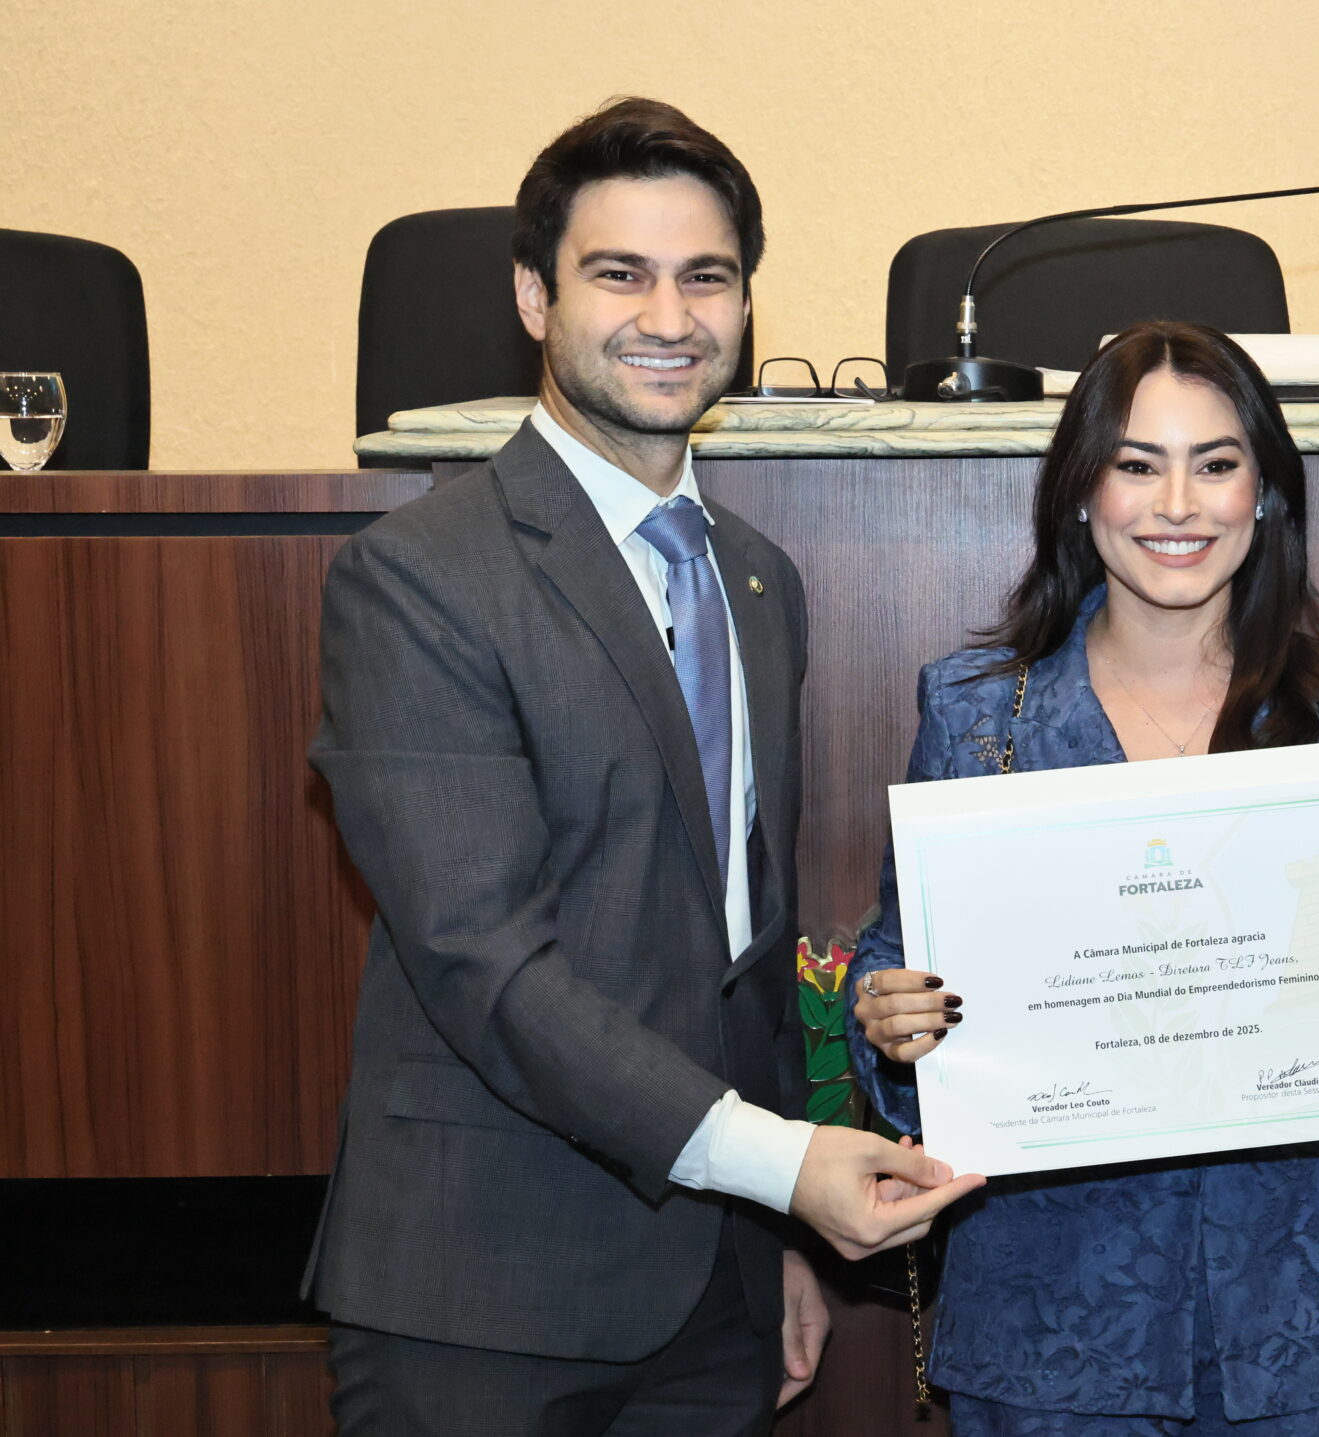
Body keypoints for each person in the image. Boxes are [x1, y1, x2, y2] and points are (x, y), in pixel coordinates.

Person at [307, 97, 980, 1436]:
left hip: (713, 1297)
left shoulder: (759, 581)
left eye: (706, 277)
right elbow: (485, 963)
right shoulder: (417, 579)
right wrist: (783, 1168)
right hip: (485, 1294)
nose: (669, 317)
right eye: (620, 274)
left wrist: (772, 1239)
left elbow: (746, 949)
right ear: (534, 296)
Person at [844, 321, 1319, 1435]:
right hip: (1051, 1322)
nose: (1178, 504)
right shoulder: (979, 715)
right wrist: (888, 1019)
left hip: (1303, 1315)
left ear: (1265, 494)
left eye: (1216, 464)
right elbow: (895, 963)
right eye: (1137, 464)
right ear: (1082, 492)